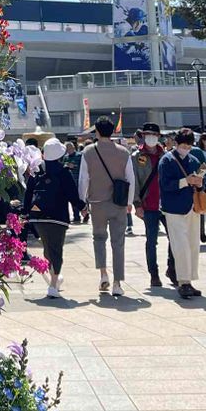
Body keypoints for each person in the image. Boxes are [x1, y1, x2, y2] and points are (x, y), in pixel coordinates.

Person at [78, 116, 135, 296]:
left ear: (96, 131)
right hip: (118, 203)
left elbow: (83, 179)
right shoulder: (124, 152)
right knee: (118, 243)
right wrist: (129, 202)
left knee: (99, 238)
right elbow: (130, 179)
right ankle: (117, 283)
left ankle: (103, 274)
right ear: (113, 131)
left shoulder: (88, 151)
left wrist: (83, 201)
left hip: (97, 202)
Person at [23, 137, 84, 299]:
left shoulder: (37, 170)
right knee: (56, 249)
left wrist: (25, 212)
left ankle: (55, 279)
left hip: (38, 217)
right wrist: (83, 208)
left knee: (48, 249)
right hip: (57, 217)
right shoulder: (63, 172)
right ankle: (53, 284)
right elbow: (73, 195)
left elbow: (28, 193)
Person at [158, 128, 204, 299]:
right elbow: (165, 185)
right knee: (180, 246)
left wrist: (199, 183)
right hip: (174, 208)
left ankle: (189, 280)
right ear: (176, 144)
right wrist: (186, 181)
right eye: (183, 145)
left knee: (193, 245)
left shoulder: (193, 160)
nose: (186, 148)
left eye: (189, 145)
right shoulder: (167, 160)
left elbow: (201, 182)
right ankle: (182, 281)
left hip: (192, 206)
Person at [132, 122, 176, 287]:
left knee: (174, 238)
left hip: (167, 205)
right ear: (143, 136)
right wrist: (137, 204)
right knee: (151, 241)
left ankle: (172, 268)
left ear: (158, 137)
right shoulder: (136, 156)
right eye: (147, 134)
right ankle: (154, 274)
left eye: (154, 135)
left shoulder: (167, 155)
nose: (150, 137)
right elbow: (134, 181)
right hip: (148, 205)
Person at [62, 141, 82, 223]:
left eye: (69, 148)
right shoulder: (65, 157)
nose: (68, 150)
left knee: (80, 198)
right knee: (70, 198)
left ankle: (83, 213)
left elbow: (83, 166)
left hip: (78, 179)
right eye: (67, 149)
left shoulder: (79, 156)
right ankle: (76, 215)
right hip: (68, 180)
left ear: (73, 148)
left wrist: (74, 166)